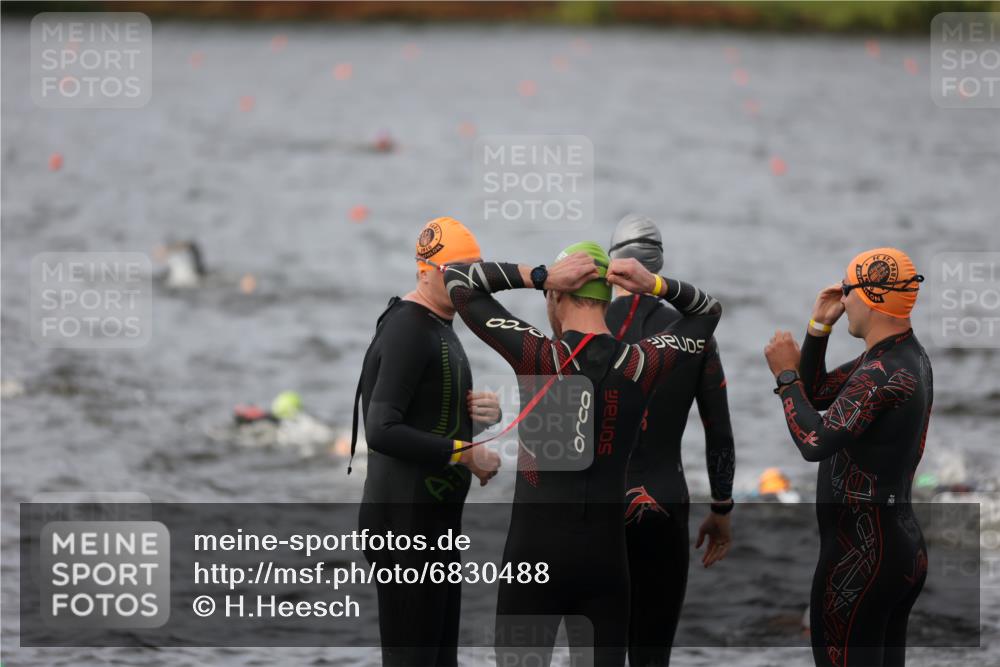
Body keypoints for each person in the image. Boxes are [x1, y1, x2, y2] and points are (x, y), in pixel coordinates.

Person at [443, 242, 722, 667]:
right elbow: (707, 313)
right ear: (606, 300)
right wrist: (656, 284)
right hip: (606, 566)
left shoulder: (539, 354)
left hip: (533, 561)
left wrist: (537, 276)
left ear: (557, 295)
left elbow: (457, 280)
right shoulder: (639, 364)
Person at [764, 247, 931, 667]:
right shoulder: (900, 357)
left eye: (847, 287)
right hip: (899, 549)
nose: (843, 297)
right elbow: (819, 392)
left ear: (872, 296)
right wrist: (819, 328)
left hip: (859, 559)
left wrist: (785, 377)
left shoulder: (881, 373)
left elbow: (814, 440)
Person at [351, 216, 503, 667]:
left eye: (476, 274)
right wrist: (465, 453)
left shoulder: (440, 325)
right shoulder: (408, 329)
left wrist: (477, 420)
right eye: (460, 274)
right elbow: (381, 430)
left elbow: (428, 423)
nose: (470, 286)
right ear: (427, 271)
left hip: (432, 525)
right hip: (402, 527)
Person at [605, 214, 736, 667]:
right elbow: (718, 432)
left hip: (600, 509)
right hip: (664, 502)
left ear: (613, 263)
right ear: (656, 268)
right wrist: (721, 509)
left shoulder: (587, 329)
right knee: (652, 653)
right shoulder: (694, 333)